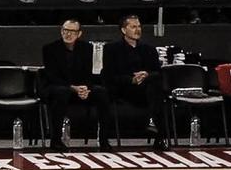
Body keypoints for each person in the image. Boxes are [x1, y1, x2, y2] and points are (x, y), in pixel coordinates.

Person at [102, 13, 166, 148]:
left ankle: (158, 136)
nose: (138, 30)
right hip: (123, 89)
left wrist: (146, 74)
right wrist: (131, 80)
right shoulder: (112, 49)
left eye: (139, 26)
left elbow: (159, 73)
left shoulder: (149, 49)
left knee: (156, 87)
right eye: (133, 27)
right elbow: (109, 76)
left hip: (145, 90)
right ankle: (153, 123)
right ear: (124, 30)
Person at [40, 17, 101, 150]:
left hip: (79, 88)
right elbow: (52, 76)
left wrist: (86, 88)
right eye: (65, 30)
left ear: (79, 34)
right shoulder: (50, 49)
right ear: (61, 31)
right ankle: (55, 140)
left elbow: (89, 73)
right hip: (56, 87)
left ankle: (104, 139)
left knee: (102, 92)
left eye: (72, 31)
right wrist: (72, 88)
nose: (68, 34)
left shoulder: (87, 48)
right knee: (62, 92)